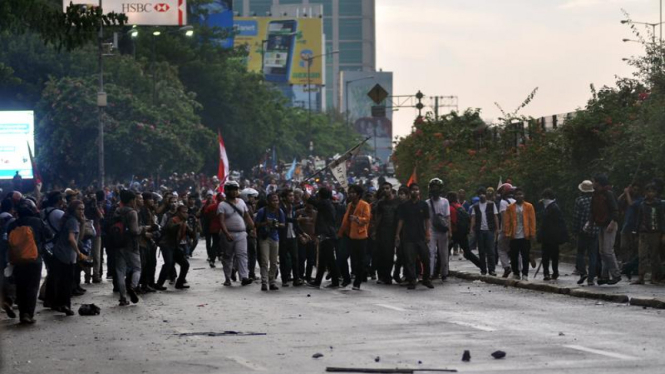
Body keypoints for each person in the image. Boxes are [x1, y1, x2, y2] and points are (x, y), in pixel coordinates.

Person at [6, 199, 53, 324]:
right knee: (32, 287)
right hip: (34, 259)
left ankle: (22, 314)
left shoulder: (13, 224)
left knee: (21, 287)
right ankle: (28, 314)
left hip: (17, 260)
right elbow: (49, 235)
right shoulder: (37, 222)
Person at [51, 200, 89, 316]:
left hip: (62, 254)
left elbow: (79, 238)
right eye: (79, 209)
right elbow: (71, 239)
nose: (82, 211)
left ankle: (60, 304)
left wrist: (82, 223)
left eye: (83, 209)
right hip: (65, 255)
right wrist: (79, 253)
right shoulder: (72, 221)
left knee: (62, 281)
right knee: (67, 282)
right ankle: (65, 305)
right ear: (73, 210)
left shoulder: (73, 221)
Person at [395, 183, 434, 290]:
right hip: (408, 237)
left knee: (426, 259)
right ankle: (412, 280)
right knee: (410, 260)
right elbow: (401, 220)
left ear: (419, 191)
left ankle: (426, 279)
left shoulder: (423, 205)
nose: (415, 192)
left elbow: (427, 220)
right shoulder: (404, 206)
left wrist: (428, 233)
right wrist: (397, 234)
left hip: (421, 237)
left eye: (417, 190)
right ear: (410, 191)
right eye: (413, 190)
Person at [113, 190, 146, 306]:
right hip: (131, 245)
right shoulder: (132, 212)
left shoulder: (117, 211)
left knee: (120, 271)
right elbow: (134, 231)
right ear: (132, 200)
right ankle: (132, 287)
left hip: (118, 243)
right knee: (137, 268)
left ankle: (122, 298)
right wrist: (142, 229)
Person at [219, 181, 254, 286]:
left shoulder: (241, 202)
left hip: (242, 233)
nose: (234, 192)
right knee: (228, 257)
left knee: (242, 255)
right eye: (232, 190)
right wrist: (226, 233)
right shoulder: (222, 205)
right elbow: (221, 221)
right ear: (227, 191)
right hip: (228, 234)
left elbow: (247, 216)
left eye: (236, 189)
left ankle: (244, 277)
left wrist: (253, 228)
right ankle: (227, 278)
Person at [589, 174, 622, 285]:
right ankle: (604, 275)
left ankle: (616, 274)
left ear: (598, 183)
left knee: (607, 251)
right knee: (602, 252)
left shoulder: (608, 194)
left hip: (609, 224)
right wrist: (591, 222)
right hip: (601, 224)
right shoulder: (595, 195)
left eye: (593, 181)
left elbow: (615, 210)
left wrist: (612, 222)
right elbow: (593, 210)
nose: (592, 183)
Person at [338, 184, 371, 290]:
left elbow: (367, 219)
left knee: (359, 261)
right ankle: (346, 278)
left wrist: (357, 219)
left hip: (360, 236)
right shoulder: (349, 205)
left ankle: (357, 282)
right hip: (347, 235)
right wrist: (341, 232)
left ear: (358, 194)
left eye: (353, 192)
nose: (351, 194)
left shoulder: (364, 205)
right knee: (342, 257)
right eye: (350, 192)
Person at [632, 183, 664, 285]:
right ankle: (641, 276)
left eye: (652, 191)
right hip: (643, 232)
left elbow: (662, 219)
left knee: (654, 256)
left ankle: (654, 277)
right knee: (642, 255)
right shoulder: (642, 205)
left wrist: (663, 233)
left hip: (655, 232)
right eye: (648, 191)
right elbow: (639, 219)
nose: (650, 193)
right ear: (645, 192)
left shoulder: (660, 205)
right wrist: (636, 233)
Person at [155, 204, 192, 290]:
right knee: (168, 263)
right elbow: (170, 228)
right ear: (178, 212)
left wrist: (193, 227)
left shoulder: (184, 222)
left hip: (174, 246)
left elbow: (191, 234)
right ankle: (159, 284)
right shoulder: (173, 220)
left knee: (185, 264)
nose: (186, 214)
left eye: (186, 212)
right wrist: (180, 224)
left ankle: (179, 282)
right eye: (184, 212)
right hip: (166, 245)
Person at [503, 188, 536, 281]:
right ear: (514, 196)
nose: (519, 196)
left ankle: (525, 274)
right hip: (514, 235)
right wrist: (507, 232)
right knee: (514, 256)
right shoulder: (510, 207)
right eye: (517, 194)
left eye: (520, 194)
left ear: (523, 195)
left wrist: (532, 233)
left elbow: (532, 220)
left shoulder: (529, 206)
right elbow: (507, 221)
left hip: (525, 235)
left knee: (525, 256)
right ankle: (516, 273)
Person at [310, 187, 341, 288]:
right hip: (327, 234)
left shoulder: (325, 203)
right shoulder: (328, 203)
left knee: (330, 260)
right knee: (323, 260)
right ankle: (318, 281)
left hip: (327, 235)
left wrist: (305, 190)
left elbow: (312, 201)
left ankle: (335, 281)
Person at [255, 193, 285, 291]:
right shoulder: (262, 211)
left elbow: (283, 224)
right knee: (264, 261)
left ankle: (272, 281)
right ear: (268, 201)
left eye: (277, 200)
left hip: (275, 237)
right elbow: (256, 224)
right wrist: (266, 223)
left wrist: (276, 224)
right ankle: (264, 282)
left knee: (274, 262)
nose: (276, 202)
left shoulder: (279, 211)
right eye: (273, 200)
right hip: (264, 238)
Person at [572, 180, 599, 286]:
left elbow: (576, 216)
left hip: (582, 230)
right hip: (595, 230)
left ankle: (583, 272)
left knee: (580, 252)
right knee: (593, 254)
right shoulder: (596, 200)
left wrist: (575, 229)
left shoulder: (579, 200)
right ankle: (591, 278)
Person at [373, 182, 400, 285]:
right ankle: (381, 276)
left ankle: (388, 275)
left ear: (391, 189)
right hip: (382, 230)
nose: (385, 190)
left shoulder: (397, 201)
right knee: (381, 254)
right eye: (383, 188)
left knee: (389, 254)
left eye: (387, 188)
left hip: (394, 230)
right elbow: (378, 217)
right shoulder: (381, 203)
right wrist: (375, 231)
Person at [537, 188, 568, 280]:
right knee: (548, 256)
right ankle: (548, 272)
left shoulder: (553, 208)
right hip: (548, 236)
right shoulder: (548, 207)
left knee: (551, 256)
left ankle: (553, 272)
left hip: (552, 237)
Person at [447, 192, 483, 270]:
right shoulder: (460, 206)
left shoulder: (450, 208)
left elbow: (450, 221)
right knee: (467, 253)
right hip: (462, 233)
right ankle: (482, 266)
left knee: (445, 253)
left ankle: (441, 270)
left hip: (454, 233)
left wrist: (449, 232)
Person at [426, 178, 451, 282]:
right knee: (431, 252)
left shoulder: (445, 202)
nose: (435, 190)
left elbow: (448, 217)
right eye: (433, 188)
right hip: (432, 230)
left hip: (443, 230)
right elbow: (426, 219)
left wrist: (450, 231)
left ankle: (444, 273)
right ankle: (430, 273)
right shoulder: (427, 203)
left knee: (444, 253)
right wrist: (426, 231)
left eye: (437, 188)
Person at [470, 188, 499, 276]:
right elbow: (473, 217)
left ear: (486, 195)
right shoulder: (475, 206)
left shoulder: (491, 204)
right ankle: (483, 269)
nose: (482, 195)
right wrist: (471, 229)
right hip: (480, 230)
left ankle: (492, 269)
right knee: (481, 251)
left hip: (489, 229)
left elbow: (495, 216)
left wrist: (497, 228)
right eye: (480, 194)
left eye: (483, 193)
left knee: (491, 250)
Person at [497, 183, 516, 278]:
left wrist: (504, 230)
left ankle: (506, 266)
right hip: (516, 230)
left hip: (506, 230)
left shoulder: (503, 202)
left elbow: (504, 217)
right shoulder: (516, 201)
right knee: (516, 250)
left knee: (501, 249)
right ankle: (518, 269)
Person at [296, 197, 317, 283]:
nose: (310, 206)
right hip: (302, 239)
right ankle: (300, 276)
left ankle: (308, 276)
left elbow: (316, 226)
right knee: (301, 258)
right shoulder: (299, 212)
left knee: (311, 259)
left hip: (312, 239)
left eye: (312, 205)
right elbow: (296, 226)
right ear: (306, 203)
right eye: (309, 204)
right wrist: (300, 236)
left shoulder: (315, 213)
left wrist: (316, 238)